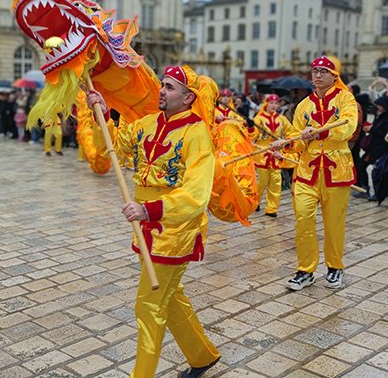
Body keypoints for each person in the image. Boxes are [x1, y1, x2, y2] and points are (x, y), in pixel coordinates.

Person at [87, 65, 220, 378]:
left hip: (176, 230)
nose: (162, 90)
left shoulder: (197, 134)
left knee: (148, 306)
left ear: (188, 97)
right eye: (162, 85)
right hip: (146, 227)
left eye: (170, 87)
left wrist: (151, 210)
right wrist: (102, 116)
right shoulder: (146, 124)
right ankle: (202, 355)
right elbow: (113, 149)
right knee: (170, 296)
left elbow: (197, 193)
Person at [271, 56, 357, 291]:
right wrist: (286, 144)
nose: (317, 75)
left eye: (323, 71)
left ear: (334, 76)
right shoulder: (304, 105)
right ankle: (305, 270)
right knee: (303, 221)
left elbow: (348, 126)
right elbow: (299, 139)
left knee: (334, 224)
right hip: (307, 171)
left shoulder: (346, 99)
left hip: (336, 171)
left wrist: (319, 133)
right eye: (315, 71)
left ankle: (335, 267)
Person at [249, 94, 292, 217]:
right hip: (262, 153)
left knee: (276, 182)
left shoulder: (282, 119)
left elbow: (291, 133)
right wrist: (251, 127)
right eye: (271, 103)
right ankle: (254, 202)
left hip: (277, 154)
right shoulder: (259, 119)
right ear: (266, 104)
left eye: (276, 103)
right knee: (262, 182)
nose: (274, 105)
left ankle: (271, 209)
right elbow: (253, 136)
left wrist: (284, 141)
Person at [354, 95, 388, 200]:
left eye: (379, 105)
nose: (378, 107)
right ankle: (365, 189)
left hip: (381, 148)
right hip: (373, 146)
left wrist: (372, 129)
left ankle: (378, 192)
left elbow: (385, 133)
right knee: (362, 165)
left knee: (378, 171)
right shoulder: (379, 115)